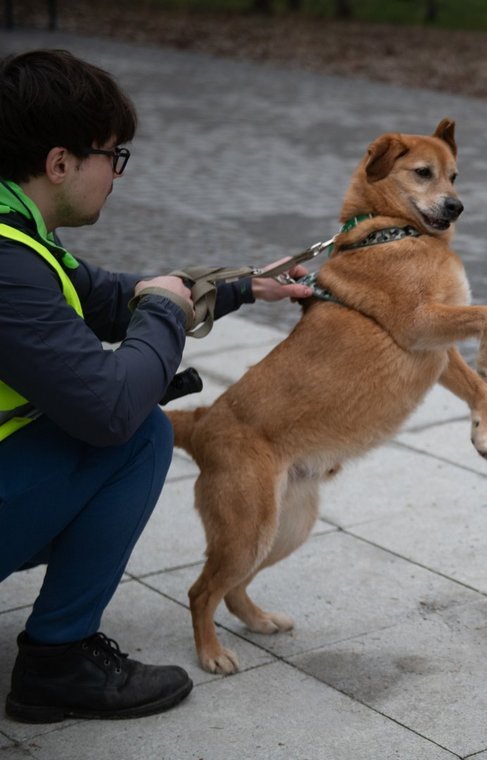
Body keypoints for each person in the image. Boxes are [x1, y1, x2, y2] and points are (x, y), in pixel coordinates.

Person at [0, 48, 313, 723]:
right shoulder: (5, 263)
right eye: (113, 156)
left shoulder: (16, 233)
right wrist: (166, 313)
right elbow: (109, 408)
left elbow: (101, 293)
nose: (116, 175)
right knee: (139, 434)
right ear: (60, 164)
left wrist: (234, 287)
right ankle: (57, 662)